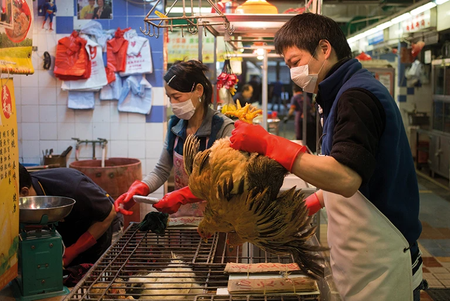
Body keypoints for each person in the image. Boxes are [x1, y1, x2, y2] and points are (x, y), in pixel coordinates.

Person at [229, 13, 424, 301]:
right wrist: (315, 201)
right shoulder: (339, 94)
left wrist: (270, 144)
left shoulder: (356, 97)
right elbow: (363, 170)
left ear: (324, 49)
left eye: (295, 62)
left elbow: (346, 178)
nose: (293, 73)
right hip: (364, 256)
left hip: (385, 258)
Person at [114, 60, 234, 222]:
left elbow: (225, 181)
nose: (173, 104)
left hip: (218, 221)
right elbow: (162, 170)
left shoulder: (223, 127)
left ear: (198, 90)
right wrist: (142, 188)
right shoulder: (175, 126)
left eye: (177, 97)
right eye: (169, 97)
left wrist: (182, 196)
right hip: (181, 219)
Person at [18, 164, 122, 268]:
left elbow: (109, 213)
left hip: (103, 224)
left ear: (24, 192)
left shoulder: (72, 188)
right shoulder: (27, 186)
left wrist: (74, 250)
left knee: (99, 273)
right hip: (74, 231)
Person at [284, 84, 316, 152]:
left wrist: (287, 117)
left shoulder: (295, 97)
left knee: (300, 138)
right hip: (309, 119)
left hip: (300, 120)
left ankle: (301, 154)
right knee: (308, 138)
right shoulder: (306, 97)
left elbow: (292, 109)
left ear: (294, 90)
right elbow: (312, 109)